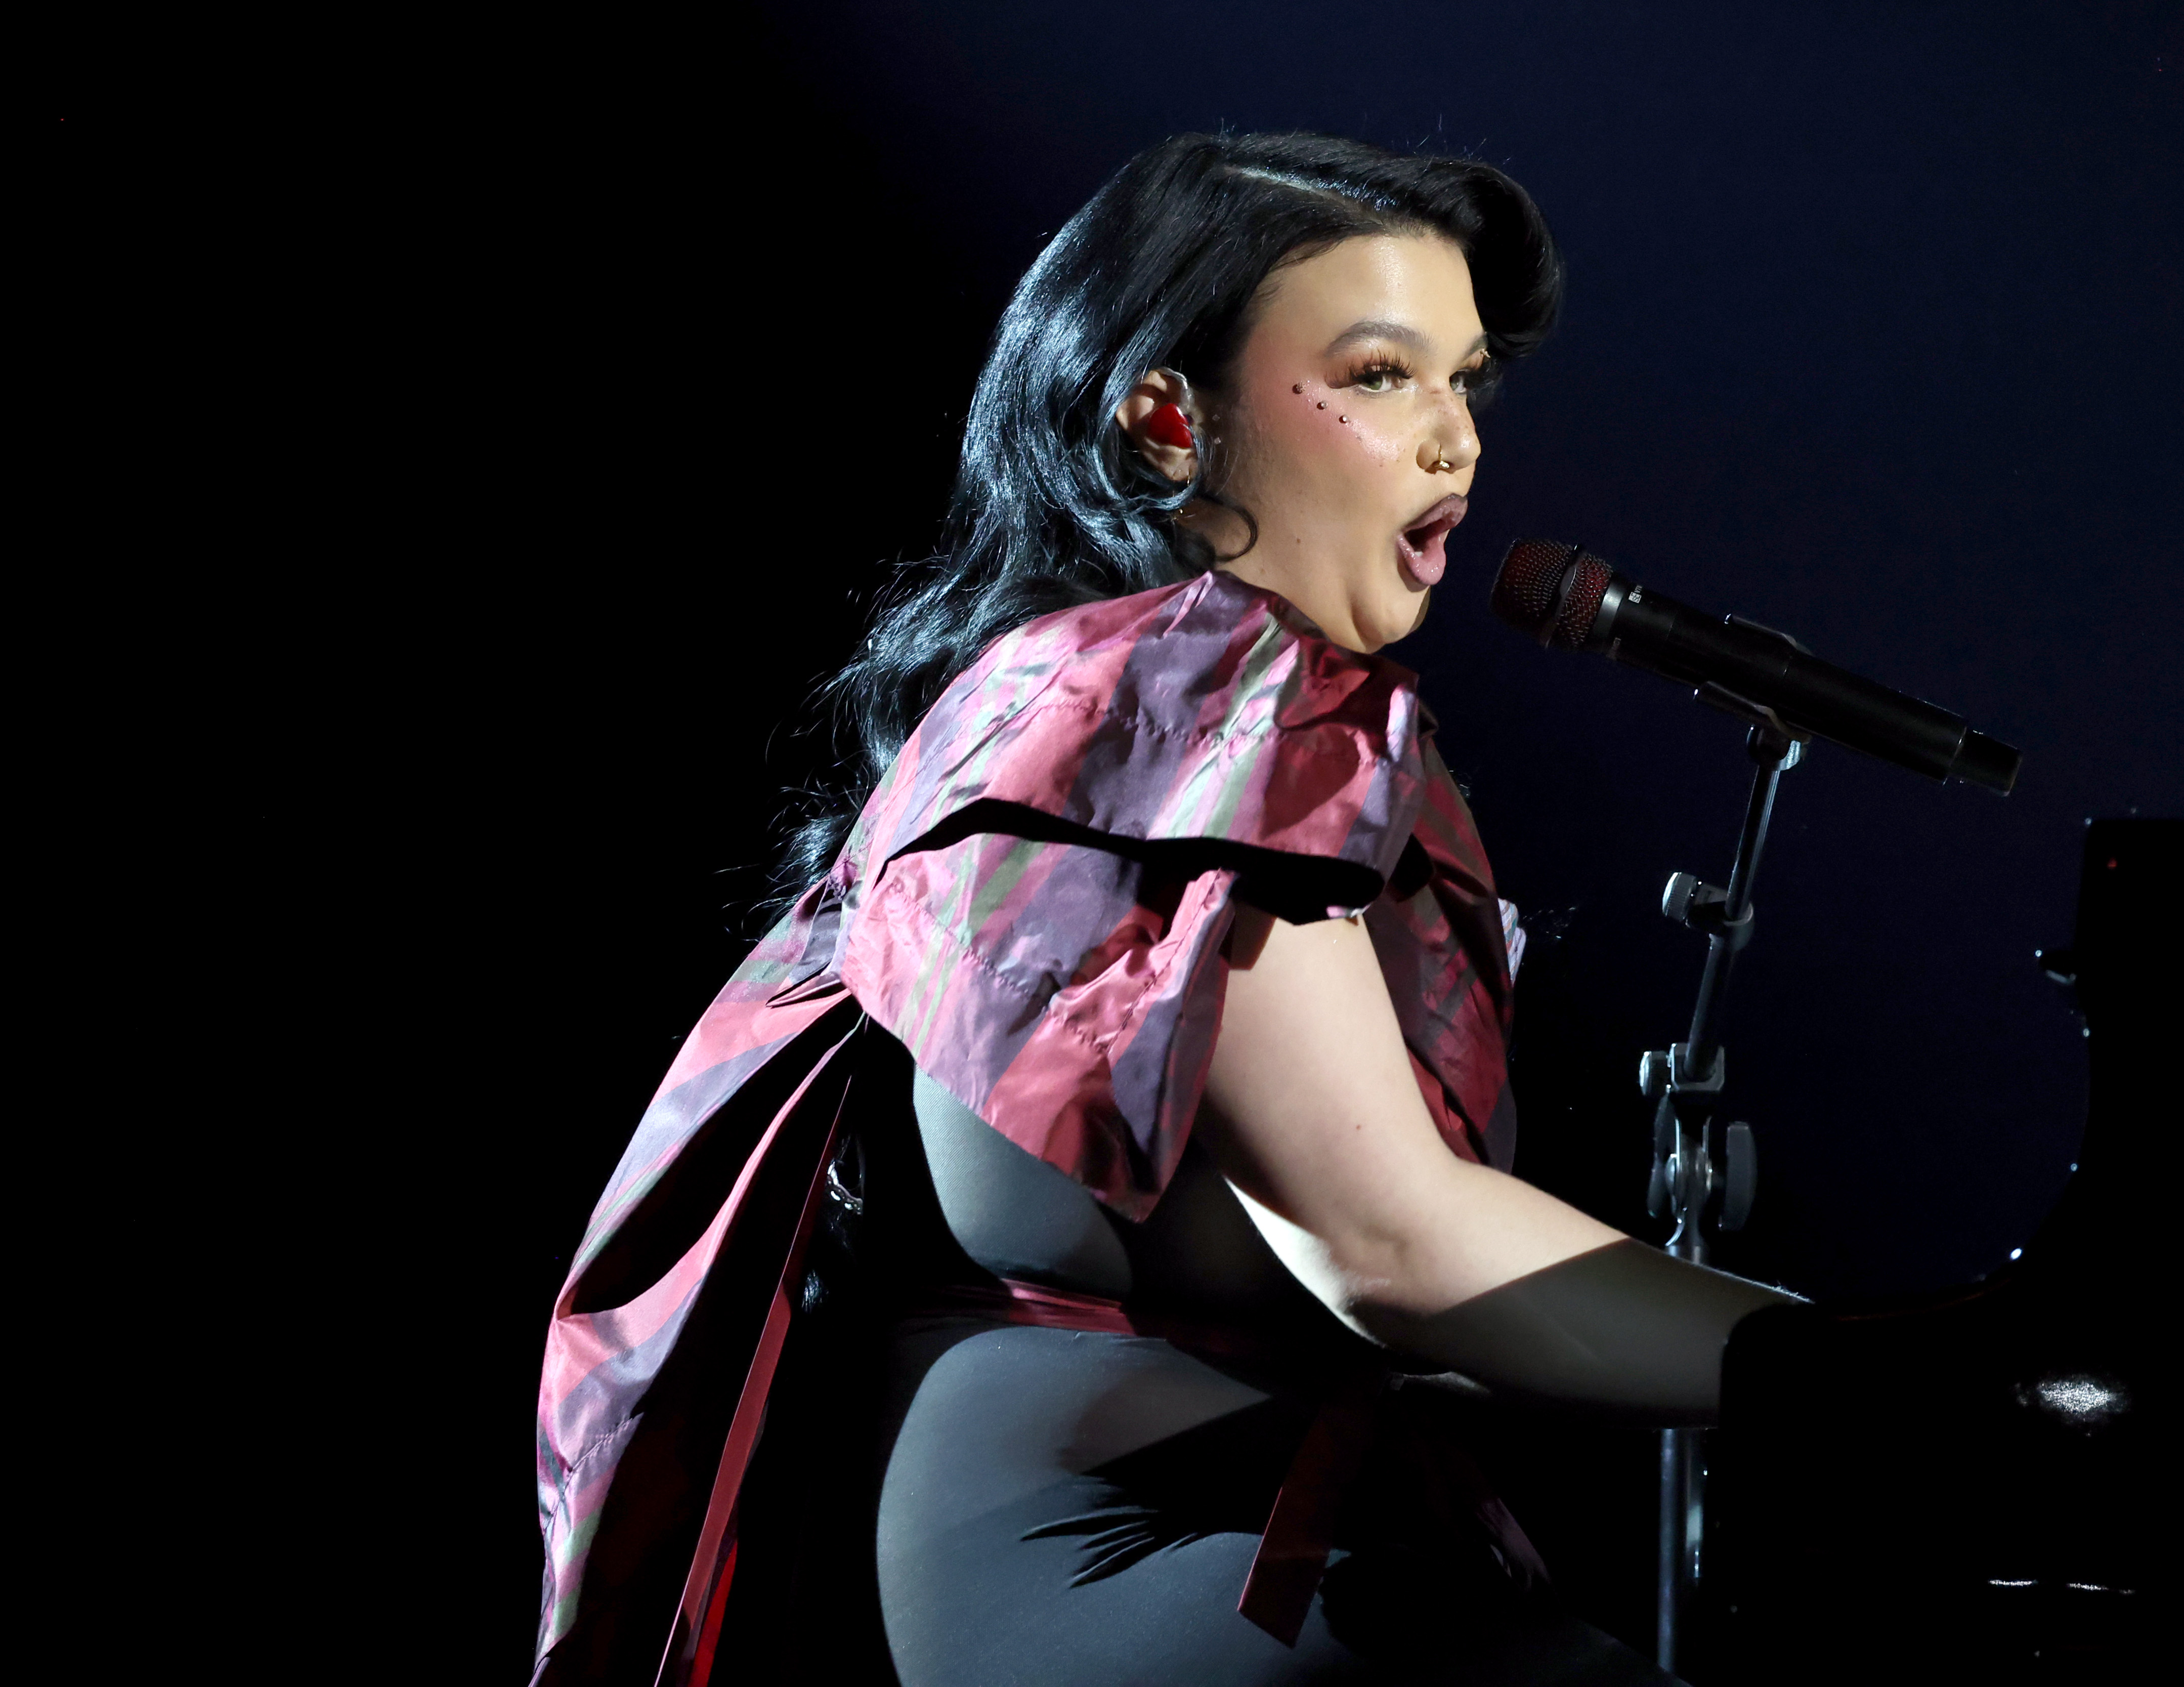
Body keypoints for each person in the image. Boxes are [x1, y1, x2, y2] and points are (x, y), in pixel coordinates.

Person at [530, 132, 1794, 1687]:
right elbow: (1386, 1241)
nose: (1457, 440)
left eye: (1469, 381)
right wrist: (1878, 1377)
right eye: (1382, 374)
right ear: (1164, 418)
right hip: (1130, 1556)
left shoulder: (1101, 704)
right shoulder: (1180, 693)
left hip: (1123, 1543)